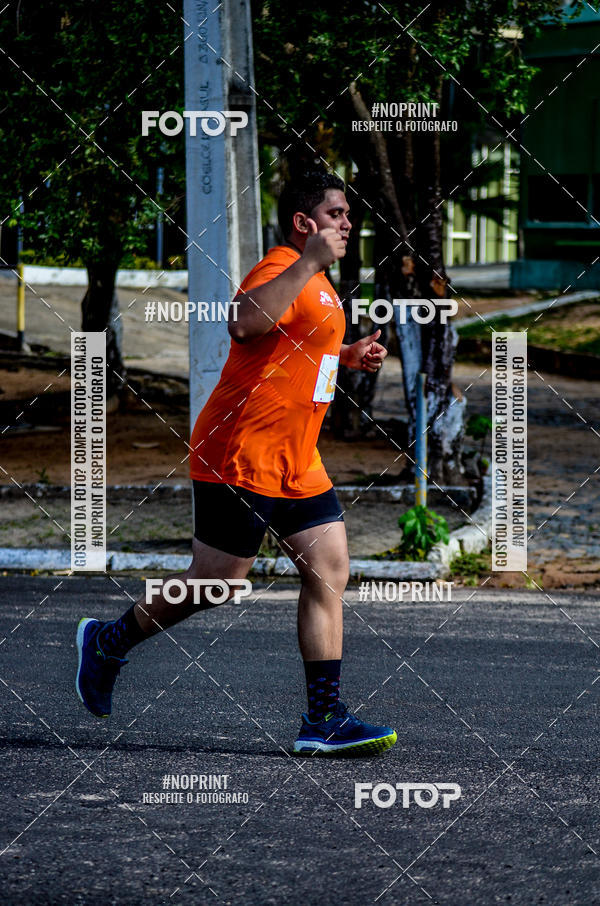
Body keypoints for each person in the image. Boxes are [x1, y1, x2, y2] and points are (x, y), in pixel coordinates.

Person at [76, 168, 397, 756]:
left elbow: (301, 347)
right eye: (335, 214)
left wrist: (348, 356)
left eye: (349, 215)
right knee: (218, 584)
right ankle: (108, 642)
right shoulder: (282, 266)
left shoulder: (322, 283)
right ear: (305, 224)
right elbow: (244, 323)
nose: (348, 224)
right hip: (239, 453)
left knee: (329, 570)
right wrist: (306, 260)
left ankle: (321, 720)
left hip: (297, 461)